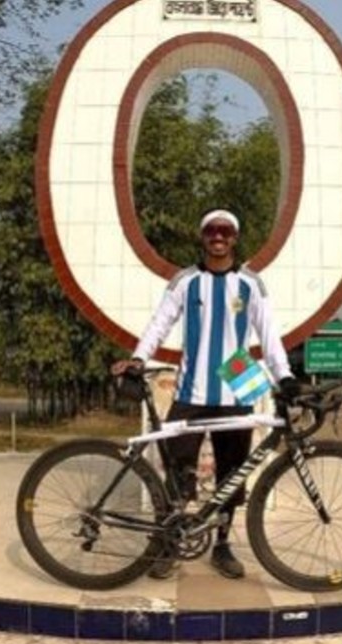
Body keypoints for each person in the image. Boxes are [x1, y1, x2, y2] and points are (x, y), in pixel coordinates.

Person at [110, 209, 297, 580]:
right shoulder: (186, 281)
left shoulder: (250, 284)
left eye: (226, 231)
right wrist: (138, 358)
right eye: (212, 230)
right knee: (178, 471)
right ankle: (169, 545)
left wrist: (286, 376)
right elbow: (159, 323)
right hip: (191, 388)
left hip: (239, 383)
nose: (218, 237)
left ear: (235, 238)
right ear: (202, 236)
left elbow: (269, 335)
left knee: (233, 474)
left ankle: (223, 546)